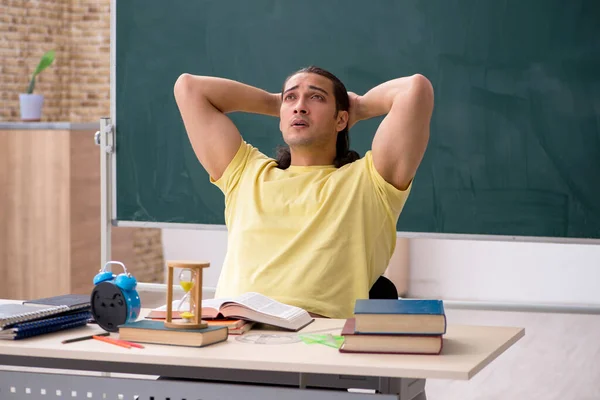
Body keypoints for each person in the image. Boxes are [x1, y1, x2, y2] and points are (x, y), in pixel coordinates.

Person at [173, 66, 433, 319]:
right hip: (234, 332)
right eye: (291, 97)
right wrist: (275, 104)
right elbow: (189, 88)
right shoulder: (245, 173)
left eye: (316, 97)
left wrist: (360, 107)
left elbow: (414, 89)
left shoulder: (370, 181)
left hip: (316, 337)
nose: (299, 106)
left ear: (341, 119)